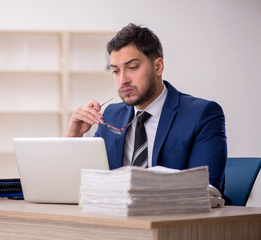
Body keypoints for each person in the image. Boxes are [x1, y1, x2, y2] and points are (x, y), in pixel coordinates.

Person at [66, 23, 227, 196]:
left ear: (158, 67)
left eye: (132, 68)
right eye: (115, 71)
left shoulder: (202, 114)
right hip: (117, 218)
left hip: (173, 220)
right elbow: (80, 185)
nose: (122, 81)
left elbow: (207, 190)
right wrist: (74, 137)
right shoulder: (111, 116)